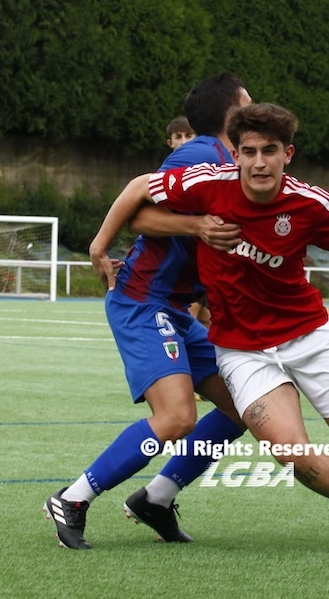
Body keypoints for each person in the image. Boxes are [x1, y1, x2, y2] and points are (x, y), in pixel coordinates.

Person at [89, 103, 329, 556]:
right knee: (293, 456)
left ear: (288, 154)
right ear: (237, 156)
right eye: (249, 151)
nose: (259, 162)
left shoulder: (310, 203)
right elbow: (138, 194)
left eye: (270, 151)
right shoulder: (208, 184)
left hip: (310, 337)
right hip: (242, 351)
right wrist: (101, 245)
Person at [43, 73, 251, 550]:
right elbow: (140, 197)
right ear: (230, 114)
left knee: (243, 408)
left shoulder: (237, 163)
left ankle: (156, 498)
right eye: (248, 101)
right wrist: (100, 245)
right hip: (143, 301)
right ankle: (72, 499)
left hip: (176, 310)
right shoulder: (202, 152)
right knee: (176, 417)